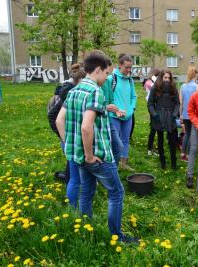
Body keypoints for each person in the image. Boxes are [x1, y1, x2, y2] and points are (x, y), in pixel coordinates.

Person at [56, 51, 137, 242]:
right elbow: (86, 127)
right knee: (117, 192)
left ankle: (86, 228)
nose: (107, 77)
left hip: (78, 155)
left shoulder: (74, 89)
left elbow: (60, 120)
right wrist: (90, 155)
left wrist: (70, 145)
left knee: (87, 192)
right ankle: (117, 236)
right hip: (97, 156)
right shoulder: (95, 92)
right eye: (106, 74)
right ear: (98, 70)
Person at [102, 54, 137, 171]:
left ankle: (123, 162)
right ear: (120, 65)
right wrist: (115, 110)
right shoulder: (111, 79)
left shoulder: (130, 80)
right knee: (114, 141)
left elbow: (133, 96)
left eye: (130, 67)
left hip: (128, 116)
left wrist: (131, 110)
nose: (129, 70)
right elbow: (106, 98)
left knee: (125, 139)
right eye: (126, 67)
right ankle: (112, 164)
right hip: (114, 116)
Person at [147, 69, 180, 169]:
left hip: (170, 115)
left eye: (169, 78)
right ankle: (163, 162)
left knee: (172, 141)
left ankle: (174, 163)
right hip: (159, 115)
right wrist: (155, 115)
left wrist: (174, 114)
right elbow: (150, 103)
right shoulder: (155, 88)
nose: (167, 80)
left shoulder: (173, 88)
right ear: (161, 78)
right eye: (165, 77)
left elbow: (177, 103)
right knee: (160, 141)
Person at [179, 66, 198, 161]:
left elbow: (181, 103)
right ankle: (189, 155)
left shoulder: (183, 86)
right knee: (193, 134)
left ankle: (183, 153)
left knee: (187, 133)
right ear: (195, 75)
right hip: (194, 115)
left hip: (185, 114)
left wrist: (181, 115)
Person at [144, 68, 160, 156]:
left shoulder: (149, 82)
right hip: (153, 106)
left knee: (154, 128)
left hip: (153, 106)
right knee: (154, 128)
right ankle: (150, 149)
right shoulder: (150, 83)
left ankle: (151, 148)